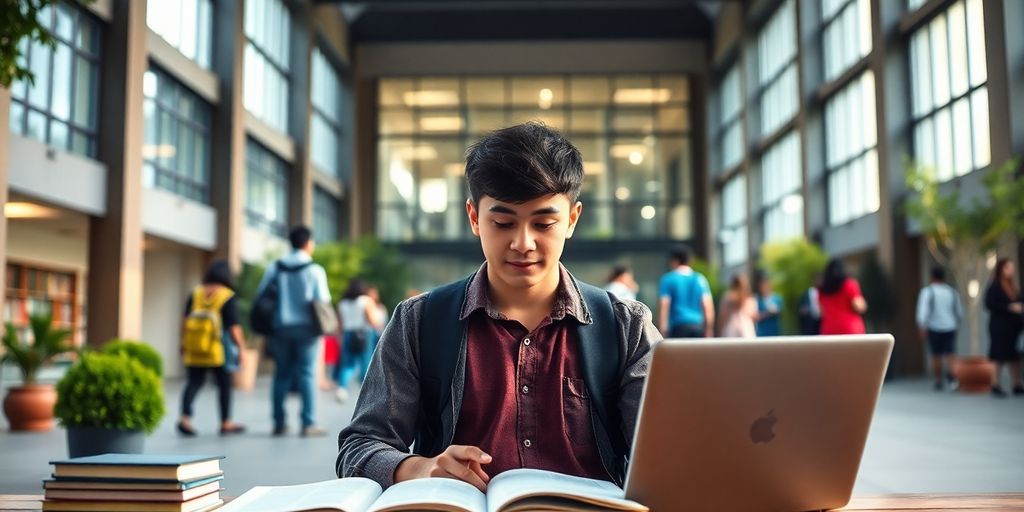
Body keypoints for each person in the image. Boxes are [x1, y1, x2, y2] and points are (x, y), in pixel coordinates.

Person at [336, 123, 659, 490]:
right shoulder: (420, 321)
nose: (523, 243)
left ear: (572, 219)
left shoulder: (624, 327)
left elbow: (667, 453)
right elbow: (360, 447)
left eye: (544, 223)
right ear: (474, 218)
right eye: (503, 222)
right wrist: (421, 469)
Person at [256, 225, 333, 437]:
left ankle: (279, 422)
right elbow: (323, 301)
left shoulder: (275, 267)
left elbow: (262, 295)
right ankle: (308, 423)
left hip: (280, 328)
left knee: (281, 374)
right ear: (308, 243)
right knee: (307, 373)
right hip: (308, 330)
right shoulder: (315, 270)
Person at [177, 260, 247, 436]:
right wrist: (241, 349)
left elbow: (185, 321)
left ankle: (185, 418)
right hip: (218, 349)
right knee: (224, 384)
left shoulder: (196, 292)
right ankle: (225, 422)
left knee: (193, 382)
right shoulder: (227, 295)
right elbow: (233, 327)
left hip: (195, 347)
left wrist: (183, 343)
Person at [334, 279, 384, 403]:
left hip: (347, 334)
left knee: (347, 364)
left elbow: (339, 324)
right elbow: (372, 320)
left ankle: (342, 389)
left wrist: (339, 338)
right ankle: (366, 393)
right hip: (364, 334)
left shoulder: (343, 303)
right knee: (365, 363)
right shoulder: (366, 301)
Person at [915, 267, 963, 391]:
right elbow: (959, 312)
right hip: (950, 326)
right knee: (951, 354)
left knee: (936, 355)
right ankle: (953, 380)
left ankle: (938, 380)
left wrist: (922, 327)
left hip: (934, 327)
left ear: (932, 277)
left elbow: (923, 312)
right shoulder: (952, 292)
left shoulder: (927, 291)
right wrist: (956, 324)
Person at [984, 258, 1023, 397]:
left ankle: (1017, 384)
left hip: (1013, 327)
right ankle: (995, 384)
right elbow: (989, 304)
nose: (1010, 270)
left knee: (1014, 356)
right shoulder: (995, 286)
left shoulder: (1013, 286)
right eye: (1008, 267)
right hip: (999, 327)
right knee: (998, 356)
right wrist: (1008, 307)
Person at [657, 245, 714, 338]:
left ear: (675, 260)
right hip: (697, 327)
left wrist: (662, 331)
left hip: (678, 328)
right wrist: (708, 329)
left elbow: (664, 306)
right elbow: (707, 307)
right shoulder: (700, 279)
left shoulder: (668, 279)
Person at [817, 259, 867, 335]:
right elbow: (859, 306)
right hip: (850, 329)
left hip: (829, 330)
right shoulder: (850, 284)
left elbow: (821, 312)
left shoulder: (821, 289)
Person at [718, 273, 757, 338]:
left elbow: (722, 317)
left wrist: (718, 332)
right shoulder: (750, 299)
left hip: (730, 330)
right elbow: (753, 317)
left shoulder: (727, 298)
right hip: (746, 330)